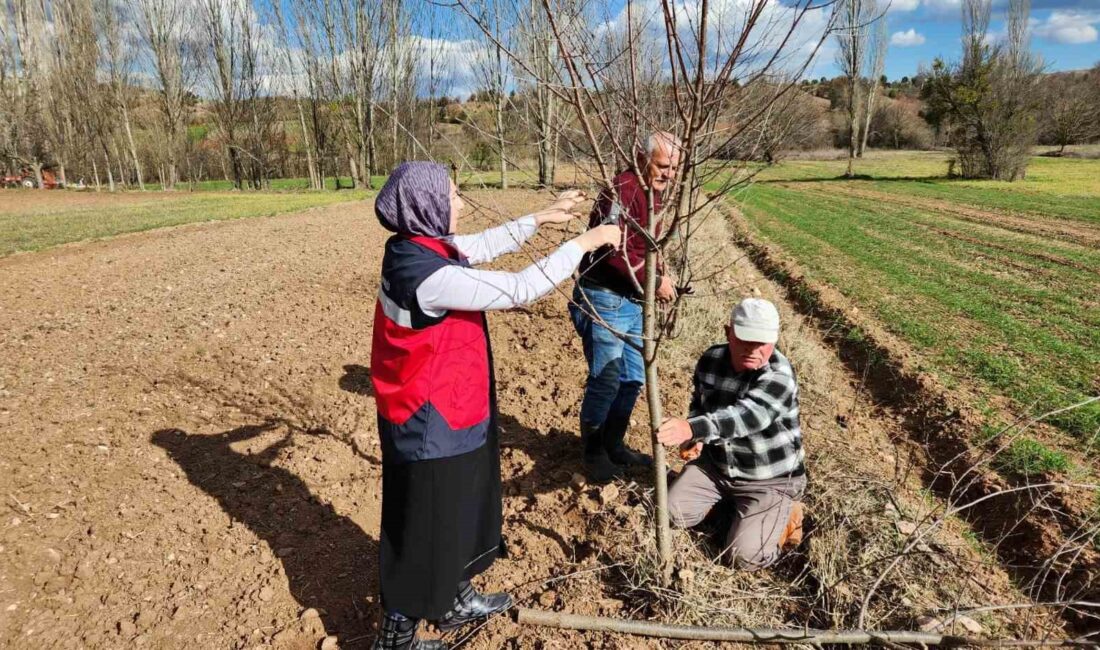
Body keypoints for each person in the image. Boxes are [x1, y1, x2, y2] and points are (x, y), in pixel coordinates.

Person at [369, 161, 620, 650]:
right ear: (427, 207)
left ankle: (454, 598)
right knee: (423, 525)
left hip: (452, 407)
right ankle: (395, 637)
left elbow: (477, 247)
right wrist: (583, 244)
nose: (460, 201)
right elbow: (518, 288)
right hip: (428, 423)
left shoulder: (414, 247)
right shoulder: (426, 275)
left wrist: (540, 219)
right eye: (453, 194)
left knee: (461, 507)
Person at [656, 298, 806, 570]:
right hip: (717, 468)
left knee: (744, 557)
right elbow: (699, 403)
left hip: (769, 480)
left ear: (773, 340)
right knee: (667, 514)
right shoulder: (711, 359)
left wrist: (692, 428)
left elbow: (749, 417)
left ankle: (786, 516)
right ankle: (732, 511)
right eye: (745, 340)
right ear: (729, 333)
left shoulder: (779, 374)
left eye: (762, 343)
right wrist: (696, 438)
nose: (754, 349)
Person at [569, 132, 681, 482]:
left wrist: (660, 272)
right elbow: (610, 250)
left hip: (632, 299)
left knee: (632, 377)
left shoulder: (653, 193)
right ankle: (592, 453)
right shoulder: (622, 189)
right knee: (607, 379)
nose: (669, 174)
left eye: (675, 168)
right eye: (663, 166)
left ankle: (614, 444)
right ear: (642, 158)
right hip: (605, 296)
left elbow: (643, 247)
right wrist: (653, 278)